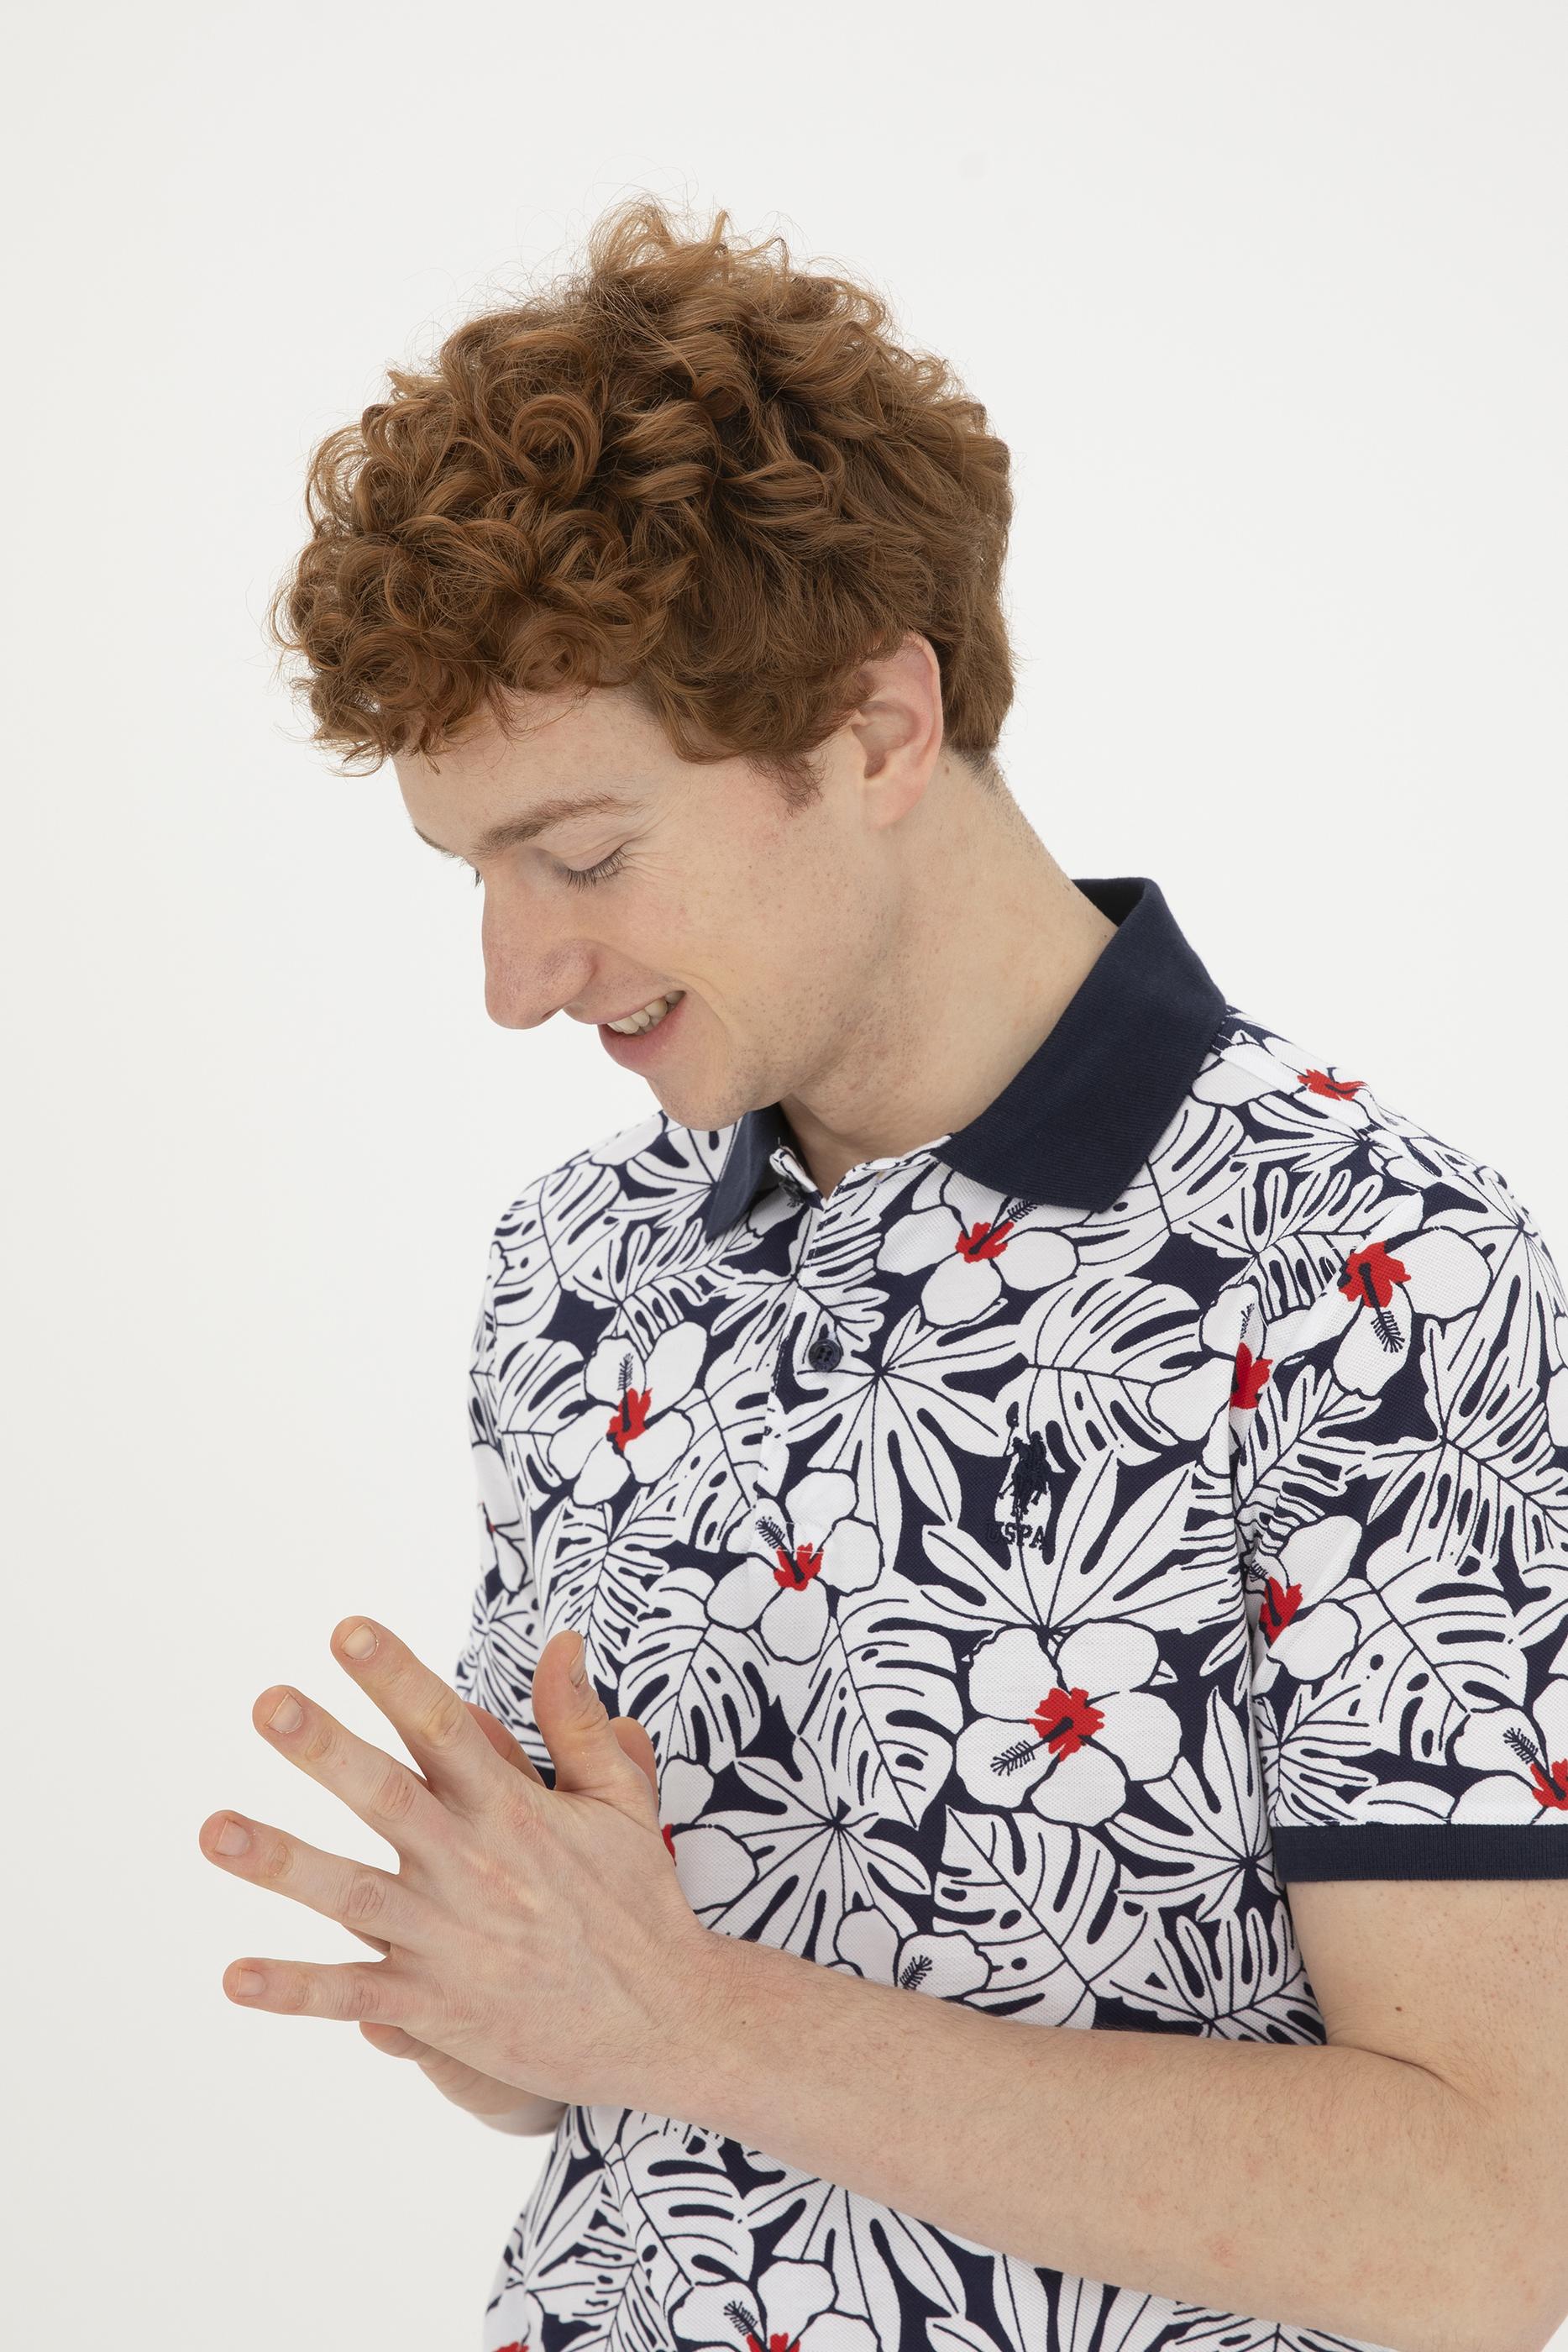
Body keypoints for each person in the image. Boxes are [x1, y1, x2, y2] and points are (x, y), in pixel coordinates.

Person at [261, 196, 1568, 2352]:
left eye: (581, 853)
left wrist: (688, 2014)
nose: (514, 977)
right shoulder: (577, 1268)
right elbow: (572, 2055)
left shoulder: (1370, 1282)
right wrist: (499, 1984)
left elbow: (1485, 2231)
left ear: (876, 726)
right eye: (472, 872)